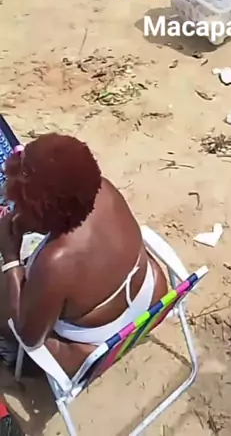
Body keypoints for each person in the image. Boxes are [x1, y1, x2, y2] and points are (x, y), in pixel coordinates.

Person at [0, 134, 168, 375]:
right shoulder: (104, 190)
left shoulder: (55, 262)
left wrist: (10, 258)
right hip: (150, 295)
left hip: (91, 345)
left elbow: (29, 336)